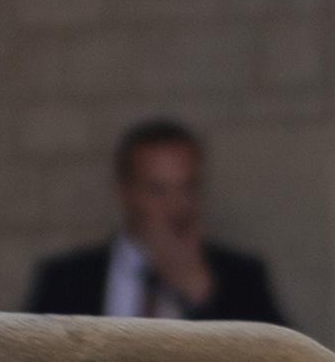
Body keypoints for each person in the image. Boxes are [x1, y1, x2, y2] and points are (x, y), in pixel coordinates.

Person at [23, 118, 289, 325]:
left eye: (187, 188)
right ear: (125, 192)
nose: (176, 207)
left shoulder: (241, 278)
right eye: (157, 190)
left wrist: (200, 293)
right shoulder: (67, 281)